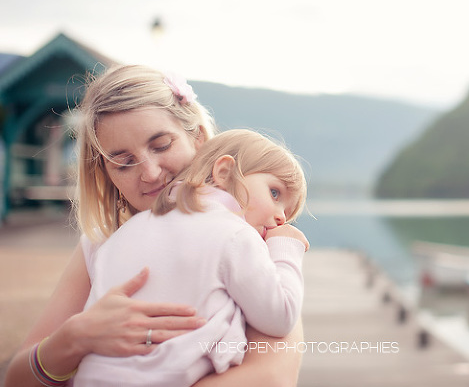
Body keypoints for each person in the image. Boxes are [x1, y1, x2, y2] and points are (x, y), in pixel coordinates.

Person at [4, 66, 306, 387]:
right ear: (107, 174)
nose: (149, 173)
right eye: (123, 162)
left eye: (161, 145)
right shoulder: (101, 243)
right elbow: (16, 380)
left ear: (199, 139)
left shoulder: (252, 239)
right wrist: (74, 337)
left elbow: (271, 374)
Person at [72, 128, 309, 386]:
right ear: (224, 173)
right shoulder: (236, 235)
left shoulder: (123, 234)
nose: (282, 217)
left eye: (287, 211)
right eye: (275, 193)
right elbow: (281, 316)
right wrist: (286, 247)